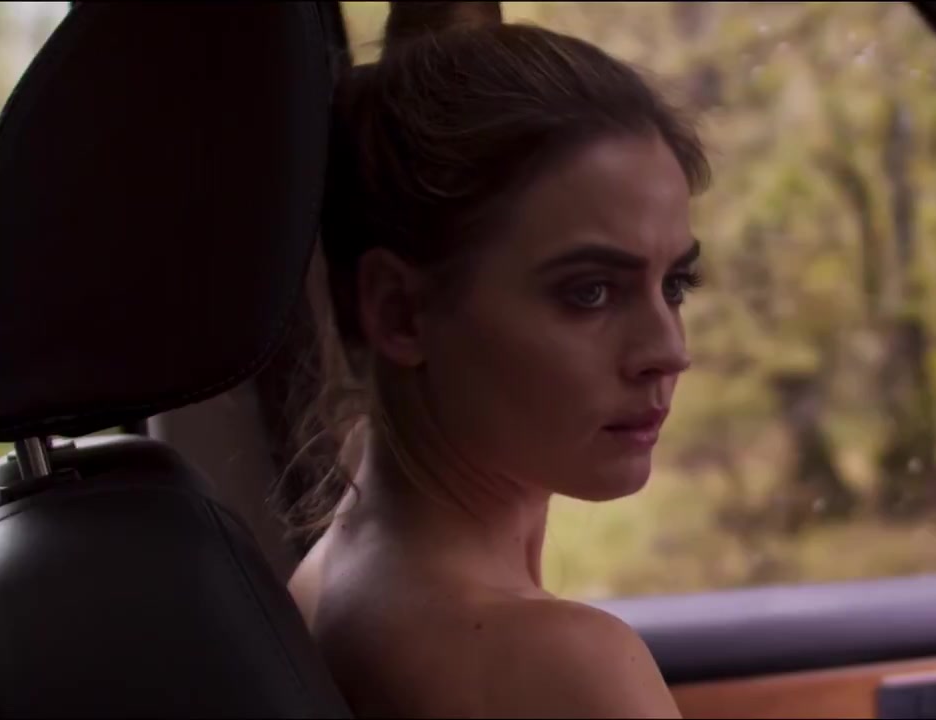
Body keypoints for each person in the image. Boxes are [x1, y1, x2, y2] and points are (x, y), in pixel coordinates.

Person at [283, 2, 708, 717]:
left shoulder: (330, 580)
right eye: (590, 291)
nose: (670, 352)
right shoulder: (563, 665)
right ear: (400, 312)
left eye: (675, 285)